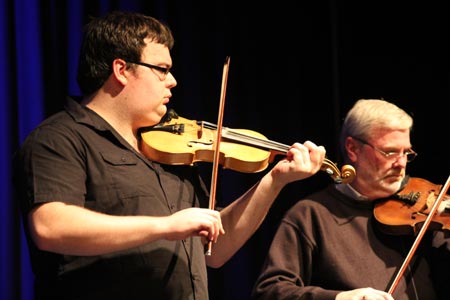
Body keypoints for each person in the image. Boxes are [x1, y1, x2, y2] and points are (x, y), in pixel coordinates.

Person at [12, 10, 327, 300]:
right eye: (161, 70)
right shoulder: (60, 139)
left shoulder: (170, 149)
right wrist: (166, 226)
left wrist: (273, 181)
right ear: (121, 70)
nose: (173, 81)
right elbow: (51, 227)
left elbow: (213, 250)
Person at [251, 99, 450, 300]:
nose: (401, 164)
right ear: (353, 149)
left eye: (406, 152)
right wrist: (342, 298)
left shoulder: (426, 214)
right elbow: (268, 292)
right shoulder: (311, 214)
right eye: (389, 152)